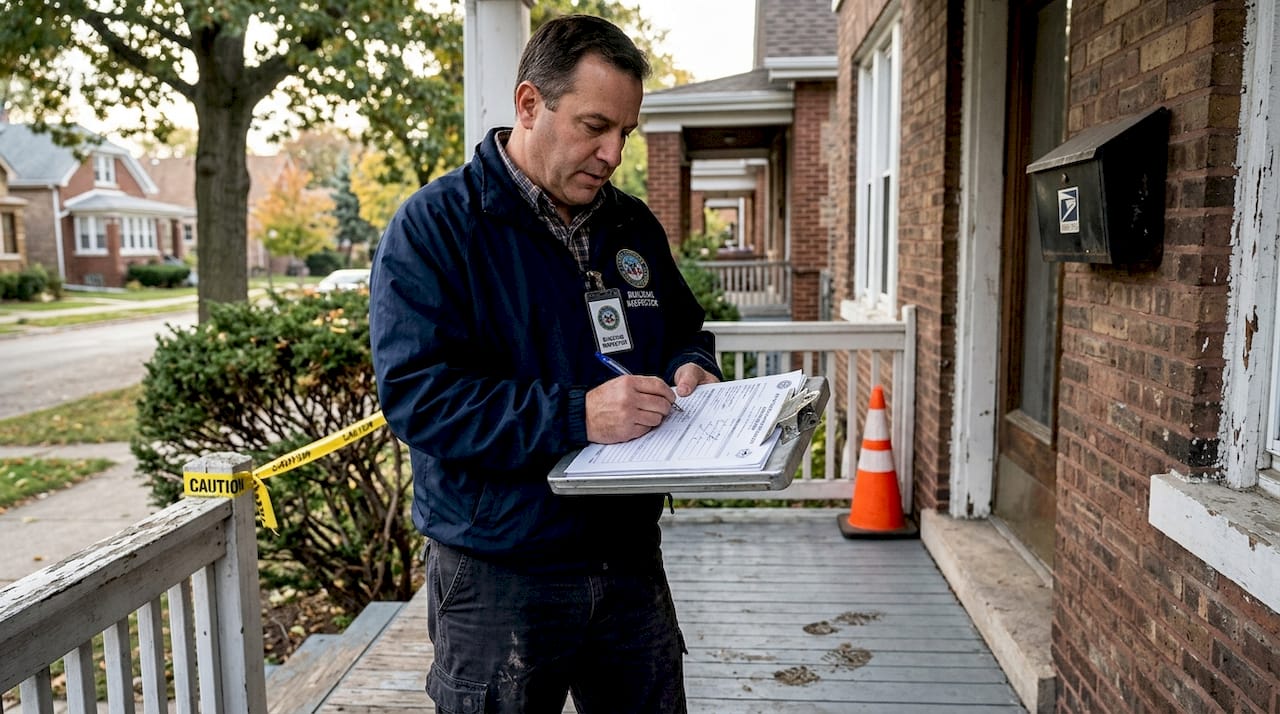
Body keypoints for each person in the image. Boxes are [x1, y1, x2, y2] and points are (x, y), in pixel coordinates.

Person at [368, 14, 721, 714]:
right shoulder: (436, 227)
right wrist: (577, 415)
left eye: (625, 132)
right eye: (595, 126)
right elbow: (418, 398)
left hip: (628, 558)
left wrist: (691, 364)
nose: (613, 153)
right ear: (529, 104)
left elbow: (684, 329)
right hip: (498, 569)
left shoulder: (632, 225)